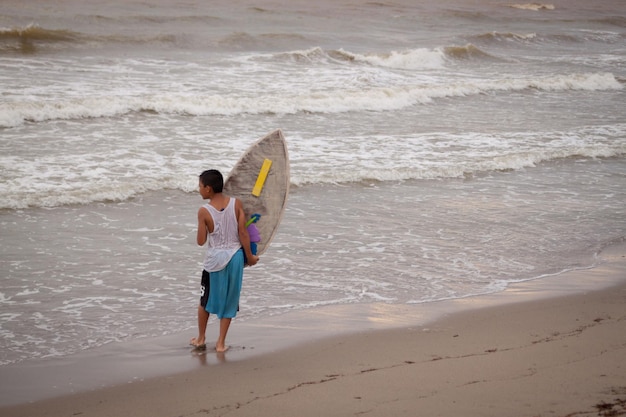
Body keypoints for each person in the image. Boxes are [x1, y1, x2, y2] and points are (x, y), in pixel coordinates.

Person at [189, 169, 259, 352]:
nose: (199, 189)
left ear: (209, 189)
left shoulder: (204, 211)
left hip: (215, 262)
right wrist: (250, 257)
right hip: (235, 258)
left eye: (200, 186)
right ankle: (221, 343)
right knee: (230, 301)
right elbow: (243, 233)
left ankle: (201, 338)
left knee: (205, 300)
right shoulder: (236, 204)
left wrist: (201, 223)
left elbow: (200, 241)